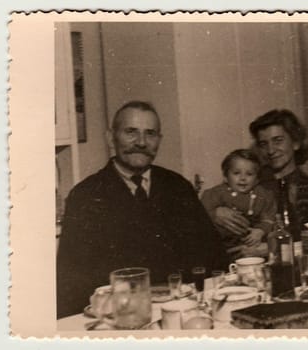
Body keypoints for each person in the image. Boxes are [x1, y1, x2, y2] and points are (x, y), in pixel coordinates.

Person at [56, 101, 228, 318]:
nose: (141, 142)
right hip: (121, 320)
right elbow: (70, 284)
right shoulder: (86, 196)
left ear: (159, 140)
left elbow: (214, 257)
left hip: (182, 310)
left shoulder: (178, 187)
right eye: (131, 132)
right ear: (111, 138)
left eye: (150, 134)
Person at [213, 109, 308, 241]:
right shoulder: (249, 180)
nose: (270, 150)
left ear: (295, 143)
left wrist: (271, 248)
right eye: (264, 144)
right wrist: (215, 212)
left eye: (278, 141)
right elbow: (217, 198)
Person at [201, 149, 276, 260]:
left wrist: (260, 231)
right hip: (221, 246)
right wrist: (213, 212)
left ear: (257, 179)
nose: (243, 178)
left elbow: (269, 217)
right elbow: (202, 210)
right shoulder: (217, 193)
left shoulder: (263, 195)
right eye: (236, 173)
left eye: (249, 174)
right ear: (226, 177)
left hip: (250, 246)